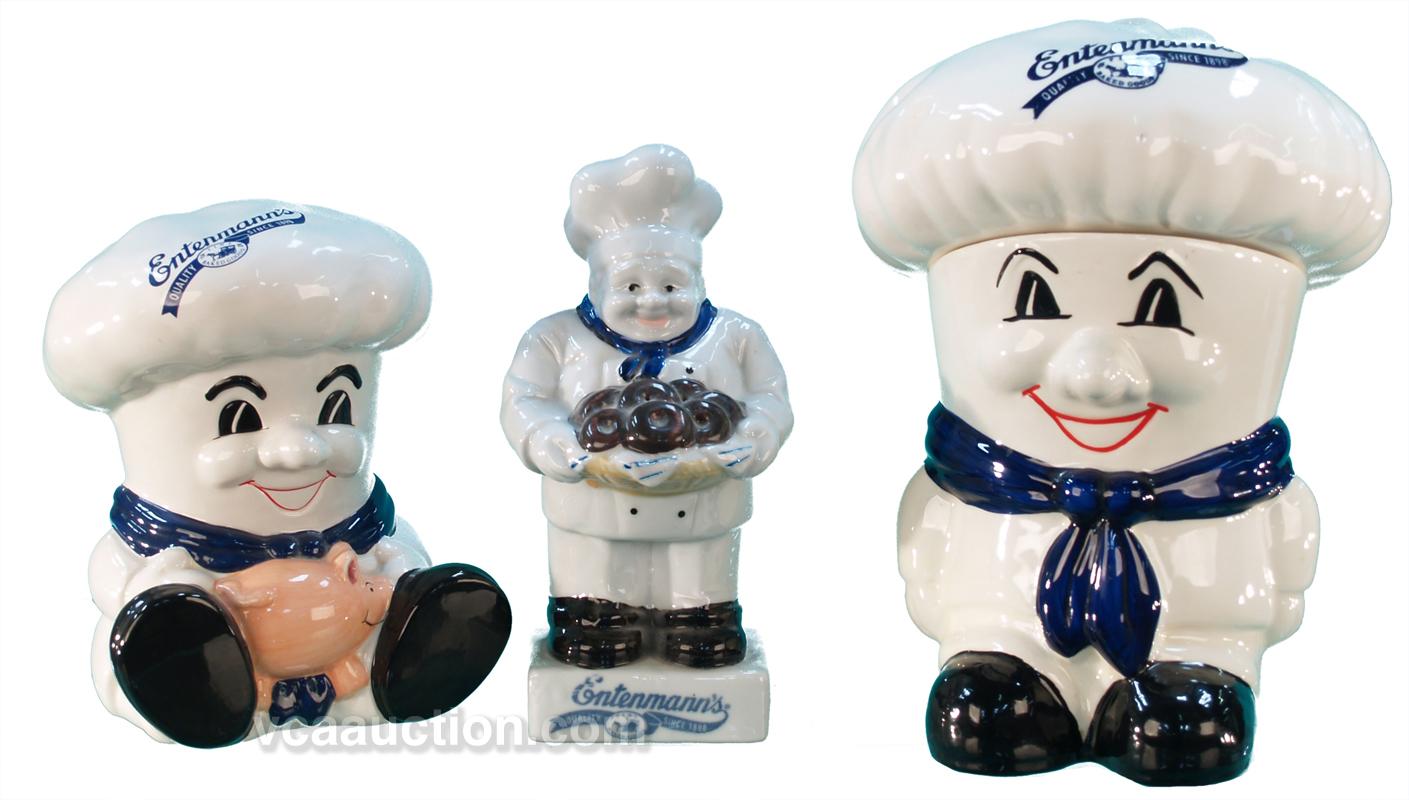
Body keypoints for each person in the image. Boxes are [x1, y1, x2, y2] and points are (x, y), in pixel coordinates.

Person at [852, 19, 1390, 785]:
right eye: (1033, 300)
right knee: (990, 709)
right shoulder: (962, 489)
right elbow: (925, 545)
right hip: (995, 631)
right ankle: (1006, 664)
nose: (1095, 379)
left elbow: (1284, 576)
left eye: (1160, 309)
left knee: (1183, 723)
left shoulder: (1256, 500)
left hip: (1201, 642)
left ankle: (1193, 669)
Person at [44, 200, 512, 747]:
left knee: (404, 593)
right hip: (212, 645)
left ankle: (402, 667)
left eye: (337, 406)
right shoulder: (162, 551)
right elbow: (111, 577)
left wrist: (401, 572)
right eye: (239, 418)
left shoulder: (366, 532)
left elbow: (397, 553)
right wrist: (155, 591)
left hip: (356, 659)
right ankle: (197, 681)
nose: (299, 450)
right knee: (165, 630)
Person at [502, 144, 792, 669]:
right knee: (596, 575)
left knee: (699, 580)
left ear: (700, 281)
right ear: (596, 284)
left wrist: (756, 436)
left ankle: (699, 619)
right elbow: (524, 400)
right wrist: (555, 443)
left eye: (672, 284)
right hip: (592, 509)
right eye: (631, 285)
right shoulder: (555, 338)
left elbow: (770, 397)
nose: (653, 300)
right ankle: (597, 617)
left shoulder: (737, 337)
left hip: (704, 505)